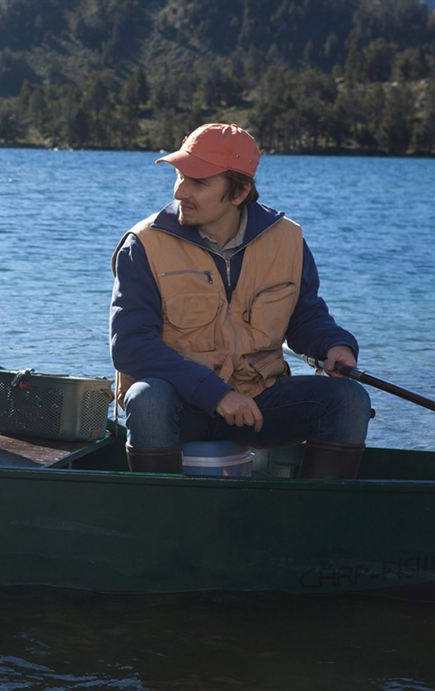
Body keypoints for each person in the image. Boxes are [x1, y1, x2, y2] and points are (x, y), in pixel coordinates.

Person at [110, 122, 371, 477]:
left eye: (198, 182)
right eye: (180, 176)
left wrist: (334, 344)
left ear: (239, 192)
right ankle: (160, 520)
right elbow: (131, 347)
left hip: (258, 401)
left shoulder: (287, 239)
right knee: (147, 398)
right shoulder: (143, 245)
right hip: (181, 403)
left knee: (349, 399)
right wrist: (215, 394)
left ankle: (314, 524)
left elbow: (305, 315)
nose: (181, 191)